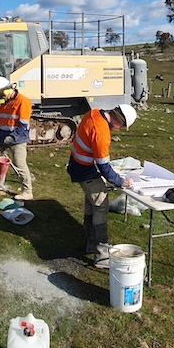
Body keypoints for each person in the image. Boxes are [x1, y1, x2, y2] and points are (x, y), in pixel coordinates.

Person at [68, 104, 137, 268]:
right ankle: (102, 255)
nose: (121, 130)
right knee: (100, 205)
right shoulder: (102, 132)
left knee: (91, 204)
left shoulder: (94, 113)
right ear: (118, 121)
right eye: (122, 127)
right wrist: (121, 182)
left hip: (79, 165)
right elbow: (104, 166)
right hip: (85, 171)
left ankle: (91, 245)